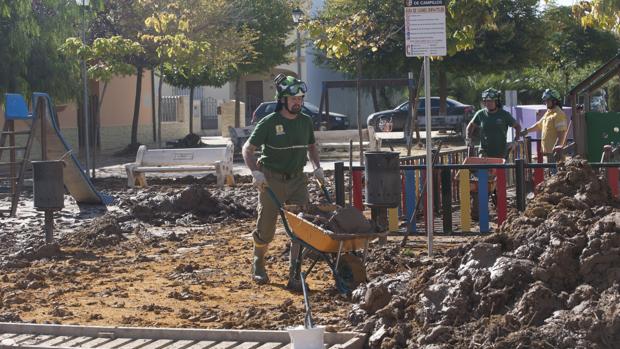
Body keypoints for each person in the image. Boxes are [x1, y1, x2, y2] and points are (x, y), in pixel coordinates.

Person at [242, 74, 324, 291]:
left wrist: (317, 167)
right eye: (293, 99)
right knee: (266, 229)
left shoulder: (305, 121)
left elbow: (312, 146)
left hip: (297, 180)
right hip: (272, 180)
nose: (298, 102)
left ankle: (295, 273)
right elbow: (247, 149)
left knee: (301, 227)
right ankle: (258, 262)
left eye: (300, 98)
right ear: (283, 100)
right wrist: (255, 173)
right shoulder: (269, 123)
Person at [466, 88, 521, 158]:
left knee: (500, 169)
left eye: (491, 101)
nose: (488, 103)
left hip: (501, 153)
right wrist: (469, 141)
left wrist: (515, 142)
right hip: (484, 152)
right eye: (486, 101)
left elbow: (518, 127)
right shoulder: (480, 114)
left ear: (496, 102)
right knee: (484, 168)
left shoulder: (504, 114)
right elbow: (470, 127)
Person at [521, 89, 568, 163]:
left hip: (555, 152)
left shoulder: (559, 114)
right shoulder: (548, 113)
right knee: (551, 173)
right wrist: (527, 131)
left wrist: (558, 148)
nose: (545, 102)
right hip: (549, 151)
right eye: (545, 101)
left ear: (555, 101)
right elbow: (539, 125)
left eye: (548, 100)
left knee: (556, 172)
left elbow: (562, 133)